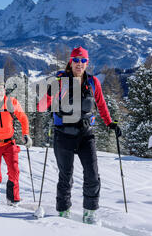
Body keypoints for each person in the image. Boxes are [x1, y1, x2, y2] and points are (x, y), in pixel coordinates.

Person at [38, 46, 121, 224]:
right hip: (63, 134)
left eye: (83, 61)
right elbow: (41, 107)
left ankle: (90, 213)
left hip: (85, 134)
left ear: (87, 63)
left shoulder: (92, 82)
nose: (79, 64)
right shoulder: (60, 81)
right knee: (65, 176)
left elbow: (101, 104)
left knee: (92, 173)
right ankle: (63, 212)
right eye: (76, 60)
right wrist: (50, 93)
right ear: (70, 61)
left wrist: (110, 123)